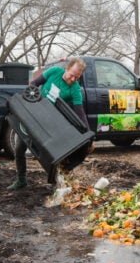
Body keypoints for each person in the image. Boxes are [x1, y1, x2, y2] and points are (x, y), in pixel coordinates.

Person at [7, 57, 91, 190]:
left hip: (50, 123)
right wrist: (29, 102)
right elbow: (34, 83)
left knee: (50, 154)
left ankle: (54, 184)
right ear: (67, 69)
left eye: (77, 77)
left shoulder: (74, 89)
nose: (73, 79)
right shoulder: (54, 72)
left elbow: (80, 112)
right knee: (19, 149)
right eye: (72, 75)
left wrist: (87, 134)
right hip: (34, 115)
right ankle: (21, 179)